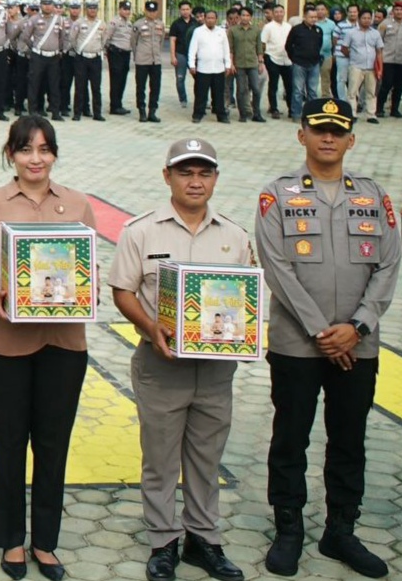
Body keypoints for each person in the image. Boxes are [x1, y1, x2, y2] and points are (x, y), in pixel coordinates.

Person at [254, 98, 400, 578]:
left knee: (349, 439)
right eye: (319, 129)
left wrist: (355, 328)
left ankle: (341, 529)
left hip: (359, 345)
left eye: (338, 130)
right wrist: (323, 332)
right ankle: (289, 528)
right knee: (290, 437)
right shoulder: (277, 195)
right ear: (302, 135)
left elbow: (388, 267)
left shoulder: (375, 198)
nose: (328, 138)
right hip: (298, 345)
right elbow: (278, 269)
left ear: (351, 139)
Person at [109, 138, 252, 581]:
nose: (195, 182)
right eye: (185, 173)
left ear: (215, 179)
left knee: (207, 458)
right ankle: (163, 541)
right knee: (161, 459)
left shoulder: (235, 236)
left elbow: (248, 299)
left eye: (204, 173)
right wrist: (151, 328)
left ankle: (204, 539)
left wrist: (244, 333)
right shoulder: (142, 231)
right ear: (167, 176)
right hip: (160, 365)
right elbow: (122, 290)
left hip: (214, 371)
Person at [0, 115, 97, 580]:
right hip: (4, 343)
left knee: (53, 443)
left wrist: (86, 288)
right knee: (7, 443)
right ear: (11, 155)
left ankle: (45, 542)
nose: (35, 159)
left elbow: (88, 264)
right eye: (26, 150)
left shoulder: (79, 205)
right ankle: (10, 541)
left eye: (44, 149)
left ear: (54, 153)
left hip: (63, 343)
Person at [187, 8, 232, 124]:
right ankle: (198, 114)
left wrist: (228, 65)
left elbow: (226, 50)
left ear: (216, 19)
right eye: (208, 18)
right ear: (205, 19)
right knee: (201, 94)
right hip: (203, 68)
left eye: (213, 18)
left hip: (218, 68)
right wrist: (191, 65)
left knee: (218, 94)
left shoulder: (221, 32)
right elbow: (192, 49)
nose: (210, 20)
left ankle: (221, 115)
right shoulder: (198, 31)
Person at [340, 10, 383, 124]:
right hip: (356, 66)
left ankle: (371, 115)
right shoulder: (351, 33)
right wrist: (353, 57)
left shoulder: (375, 33)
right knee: (352, 91)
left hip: (371, 68)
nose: (367, 20)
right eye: (364, 18)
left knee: (371, 92)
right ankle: (352, 114)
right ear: (359, 19)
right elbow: (344, 48)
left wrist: (380, 68)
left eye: (369, 18)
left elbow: (379, 51)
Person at [284, 6, 324, 120]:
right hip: (299, 64)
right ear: (305, 17)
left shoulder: (318, 30)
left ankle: (311, 114)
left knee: (312, 91)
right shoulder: (296, 29)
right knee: (298, 90)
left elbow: (319, 45)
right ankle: (296, 114)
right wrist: (294, 58)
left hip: (314, 63)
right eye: (311, 17)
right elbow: (288, 46)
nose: (314, 19)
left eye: (315, 17)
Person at [130, 0, 166, 123]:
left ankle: (152, 112)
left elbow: (161, 42)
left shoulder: (160, 24)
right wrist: (137, 55)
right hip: (142, 60)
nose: (152, 13)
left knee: (155, 87)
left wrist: (157, 54)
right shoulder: (138, 24)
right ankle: (142, 111)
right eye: (149, 11)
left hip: (156, 61)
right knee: (141, 87)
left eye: (154, 11)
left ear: (157, 11)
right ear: (145, 11)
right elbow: (133, 42)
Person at [228, 5, 266, 123]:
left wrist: (260, 63)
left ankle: (256, 113)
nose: (245, 18)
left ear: (251, 17)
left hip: (252, 63)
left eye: (247, 15)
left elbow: (259, 48)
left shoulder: (256, 30)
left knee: (256, 88)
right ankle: (242, 114)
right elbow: (231, 49)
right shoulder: (233, 30)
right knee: (241, 89)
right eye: (243, 15)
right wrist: (231, 64)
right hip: (239, 64)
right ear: (239, 17)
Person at [376, 0, 402, 119]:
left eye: (401, 10)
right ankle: (379, 108)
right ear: (393, 11)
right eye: (396, 9)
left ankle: (394, 109)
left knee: (399, 86)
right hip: (388, 59)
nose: (399, 12)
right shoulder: (385, 24)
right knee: (386, 84)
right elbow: (378, 40)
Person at [260, 4, 293, 118]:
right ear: (273, 14)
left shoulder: (289, 26)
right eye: (277, 12)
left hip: (287, 59)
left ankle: (291, 109)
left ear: (284, 13)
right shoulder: (268, 27)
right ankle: (273, 109)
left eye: (281, 12)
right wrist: (262, 58)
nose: (279, 14)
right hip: (272, 57)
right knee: (273, 84)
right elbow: (263, 43)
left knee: (289, 86)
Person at [104, 0, 134, 115]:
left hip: (125, 53)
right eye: (124, 9)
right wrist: (106, 51)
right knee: (116, 80)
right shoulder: (114, 22)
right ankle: (114, 106)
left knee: (122, 79)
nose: (127, 11)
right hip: (116, 53)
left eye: (128, 9)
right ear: (119, 9)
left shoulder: (129, 23)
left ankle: (119, 104)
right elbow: (107, 37)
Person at [169, 1, 196, 109]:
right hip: (180, 54)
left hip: (194, 55)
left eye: (187, 9)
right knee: (180, 78)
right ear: (180, 10)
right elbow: (172, 40)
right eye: (183, 9)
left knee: (199, 78)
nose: (185, 11)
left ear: (191, 9)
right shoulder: (176, 24)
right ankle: (183, 99)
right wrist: (172, 56)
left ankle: (200, 99)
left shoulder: (195, 23)